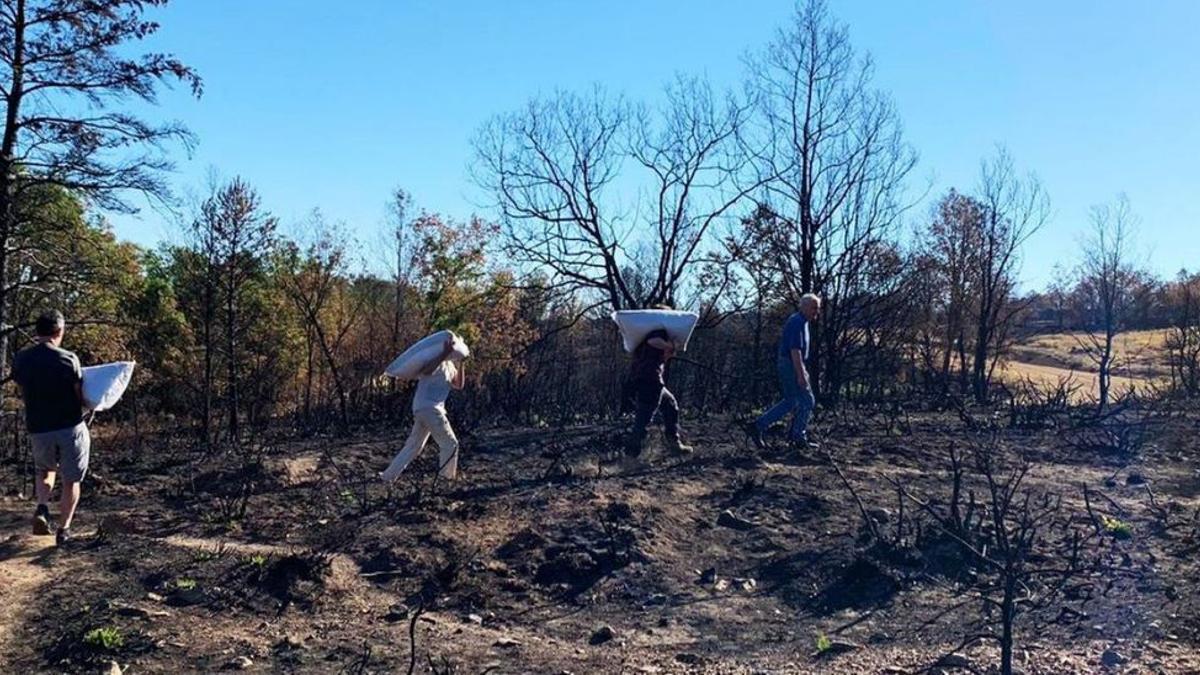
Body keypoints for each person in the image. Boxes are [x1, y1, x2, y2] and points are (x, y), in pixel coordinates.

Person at [12, 310, 91, 546]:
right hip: (69, 425)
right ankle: (64, 530)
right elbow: (79, 394)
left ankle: (42, 507)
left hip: (38, 426)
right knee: (71, 479)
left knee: (45, 470)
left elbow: (20, 385)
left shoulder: (21, 359)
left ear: (37, 332)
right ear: (59, 331)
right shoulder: (68, 358)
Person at [380, 334, 466, 483]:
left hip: (424, 408)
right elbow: (427, 371)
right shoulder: (435, 360)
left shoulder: (450, 366)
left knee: (413, 446)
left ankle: (388, 476)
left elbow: (459, 385)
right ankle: (446, 480)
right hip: (430, 408)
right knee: (450, 444)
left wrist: (462, 363)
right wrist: (444, 353)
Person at [750, 293, 822, 450]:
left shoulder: (801, 321)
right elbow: (794, 350)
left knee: (791, 401)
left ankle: (758, 426)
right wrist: (801, 374)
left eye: (818, 308)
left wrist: (803, 371)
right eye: (814, 308)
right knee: (807, 400)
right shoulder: (797, 323)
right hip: (790, 364)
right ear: (803, 307)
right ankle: (798, 437)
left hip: (790, 364)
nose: (816, 312)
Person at [625, 320, 693, 458]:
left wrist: (670, 350)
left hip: (649, 379)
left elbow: (660, 357)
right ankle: (630, 455)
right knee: (644, 417)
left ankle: (674, 443)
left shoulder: (645, 336)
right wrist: (669, 345)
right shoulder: (657, 332)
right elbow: (653, 341)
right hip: (650, 379)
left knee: (670, 404)